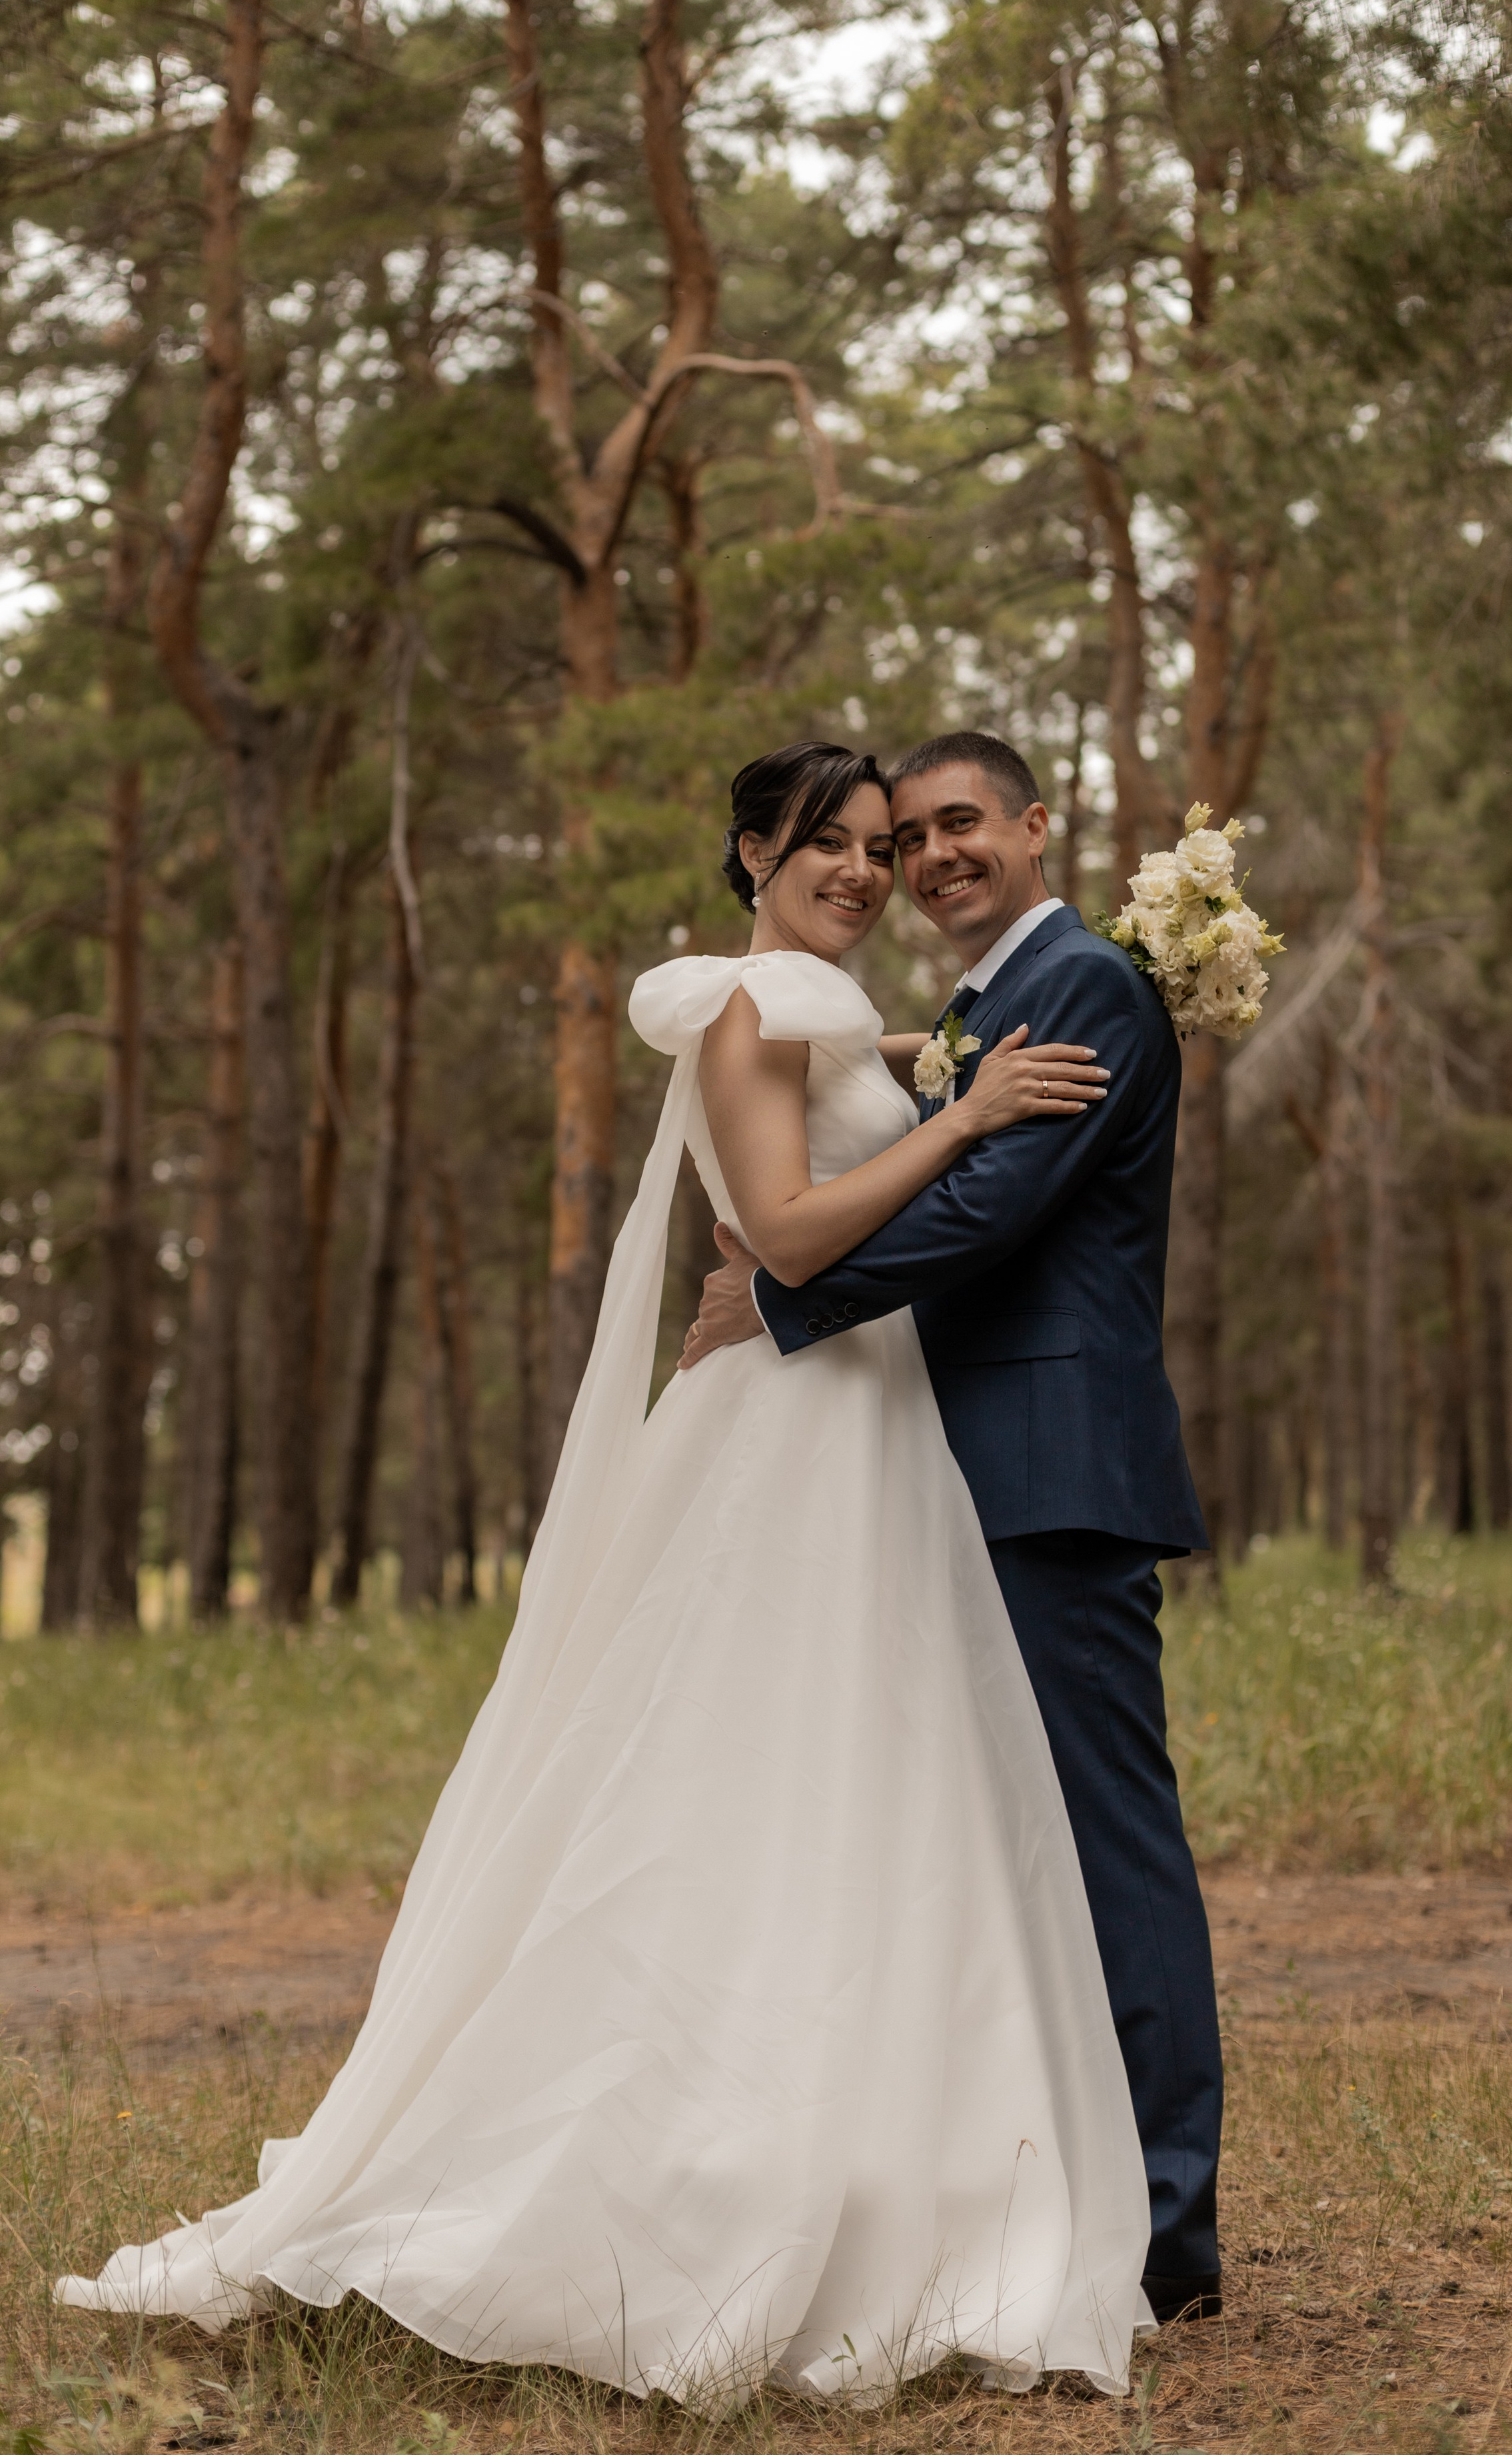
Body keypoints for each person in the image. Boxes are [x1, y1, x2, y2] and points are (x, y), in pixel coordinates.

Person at [58, 741, 1157, 2404]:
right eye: (826, 843)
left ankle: (880, 2151)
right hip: (798, 1429)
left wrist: (950, 1066)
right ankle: (665, 2172)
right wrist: (972, 1122)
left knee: (863, 1789)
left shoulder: (823, 1015)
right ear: (751, 853)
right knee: (740, 1782)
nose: (862, 871)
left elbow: (855, 1104)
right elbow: (788, 1235)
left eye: (879, 847)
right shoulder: (747, 1007)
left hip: (874, 1433)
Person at [684, 731, 1222, 2324]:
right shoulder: (993, 1005)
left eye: (953, 823)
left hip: (1048, 1468)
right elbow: (925, 1106)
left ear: (1037, 825)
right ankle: (1026, 2183)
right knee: (977, 1850)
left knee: (1104, 1844)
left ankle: (1163, 2229)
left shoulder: (1086, 988)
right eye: (899, 837)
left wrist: (785, 1296)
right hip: (939, 1466)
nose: (923, 858)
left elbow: (991, 1208)